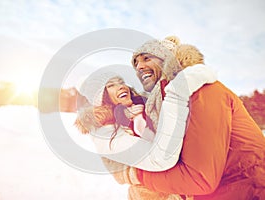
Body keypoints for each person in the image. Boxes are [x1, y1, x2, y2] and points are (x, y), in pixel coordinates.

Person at [110, 36, 265, 199]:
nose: (139, 67)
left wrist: (133, 175)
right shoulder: (165, 105)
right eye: (135, 63)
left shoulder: (201, 91)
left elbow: (200, 178)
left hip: (249, 190)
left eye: (146, 58)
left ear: (166, 59)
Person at [75, 64, 216, 172]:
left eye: (121, 82)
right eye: (111, 85)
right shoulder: (105, 134)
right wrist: (176, 95)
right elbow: (160, 158)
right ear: (101, 99)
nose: (121, 87)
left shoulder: (144, 103)